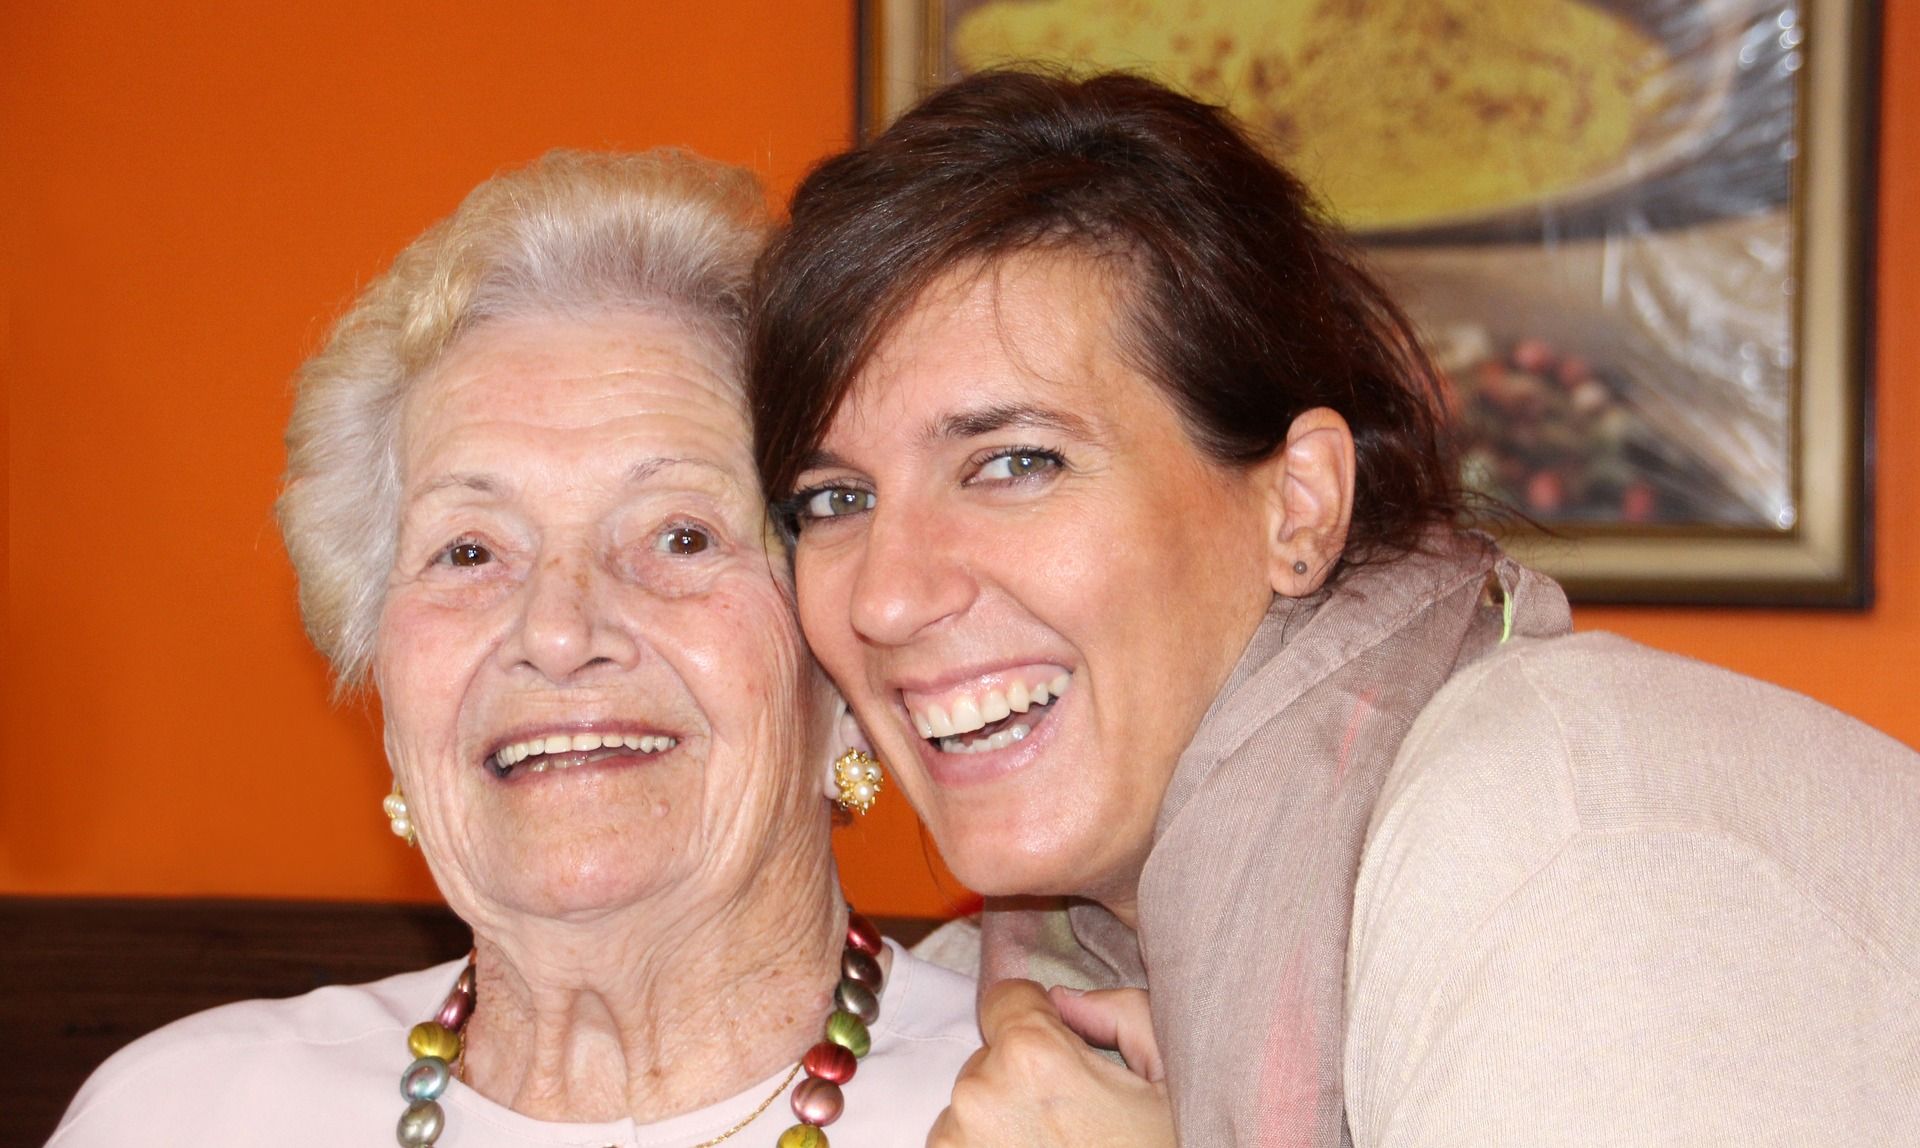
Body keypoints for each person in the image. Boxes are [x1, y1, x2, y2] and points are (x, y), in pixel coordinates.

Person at [748, 70, 1920, 1146]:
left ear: (1299, 505)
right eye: (834, 498)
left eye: (1015, 462)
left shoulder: (1570, 853)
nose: (889, 594)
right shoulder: (1037, 972)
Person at [49, 150, 978, 1148]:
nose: (558, 632)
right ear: (391, 699)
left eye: (680, 536)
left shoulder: (1046, 1108)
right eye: (470, 551)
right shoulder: (179, 1114)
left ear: (841, 685)